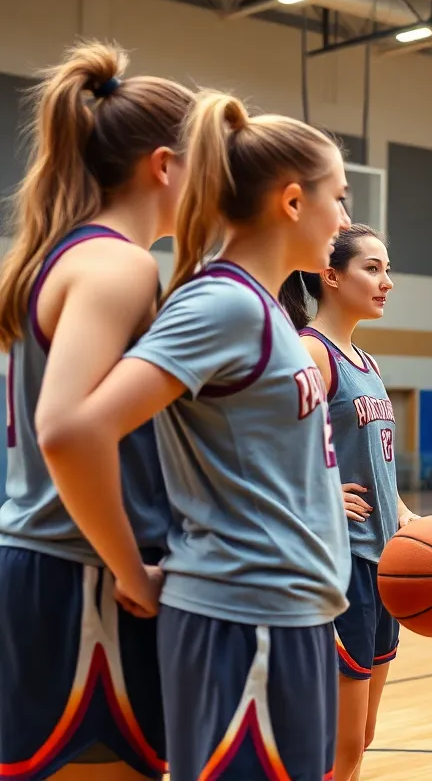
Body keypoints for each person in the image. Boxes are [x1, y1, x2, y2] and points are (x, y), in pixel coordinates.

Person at [38, 90, 353, 781]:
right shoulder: (221, 304)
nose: (346, 219)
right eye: (341, 197)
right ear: (293, 202)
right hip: (244, 616)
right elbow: (77, 429)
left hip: (287, 615)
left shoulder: (263, 310)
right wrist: (132, 572)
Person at [0, 40, 193, 781]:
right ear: (164, 165)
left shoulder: (63, 255)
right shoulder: (119, 263)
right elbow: (65, 429)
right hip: (84, 579)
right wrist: (131, 568)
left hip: (54, 570)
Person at [279, 223, 421, 781]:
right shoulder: (311, 353)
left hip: (384, 564)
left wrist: (409, 517)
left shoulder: (366, 361)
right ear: (330, 276)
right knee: (334, 747)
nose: (387, 282)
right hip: (339, 568)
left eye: (387, 269)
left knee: (359, 739)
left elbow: (375, 466)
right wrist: (319, 493)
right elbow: (266, 450)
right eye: (373, 268)